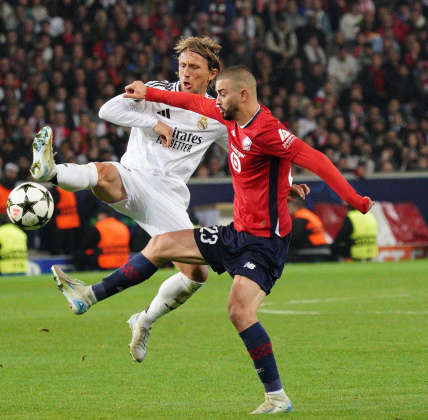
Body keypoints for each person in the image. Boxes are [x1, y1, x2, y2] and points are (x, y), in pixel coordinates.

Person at [49, 66, 373, 414]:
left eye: (222, 93)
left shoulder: (269, 131)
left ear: (243, 95)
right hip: (236, 234)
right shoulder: (228, 118)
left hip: (264, 243)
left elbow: (318, 160)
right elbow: (186, 100)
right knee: (159, 246)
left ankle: (276, 397)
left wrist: (356, 200)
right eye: (216, 93)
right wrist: (148, 92)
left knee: (239, 312)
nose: (216, 100)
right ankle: (88, 295)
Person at [30, 36, 308, 362]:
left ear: (213, 74)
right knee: (103, 172)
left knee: (197, 275)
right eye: (182, 65)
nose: (186, 73)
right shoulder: (157, 90)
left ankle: (143, 320)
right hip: (132, 177)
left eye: (194, 67)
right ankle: (50, 173)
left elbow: (251, 149)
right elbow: (108, 109)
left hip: (167, 197)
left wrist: (283, 181)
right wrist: (153, 121)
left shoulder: (219, 115)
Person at [287, 196, 332, 262]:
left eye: (288, 206)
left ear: (295, 206)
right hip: (322, 245)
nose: (287, 209)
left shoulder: (300, 217)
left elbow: (295, 237)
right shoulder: (309, 215)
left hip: (311, 247)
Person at [48, 186, 81, 255]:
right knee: (69, 245)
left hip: (60, 221)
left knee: (57, 244)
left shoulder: (57, 190)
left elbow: (52, 205)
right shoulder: (69, 188)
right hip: (72, 220)